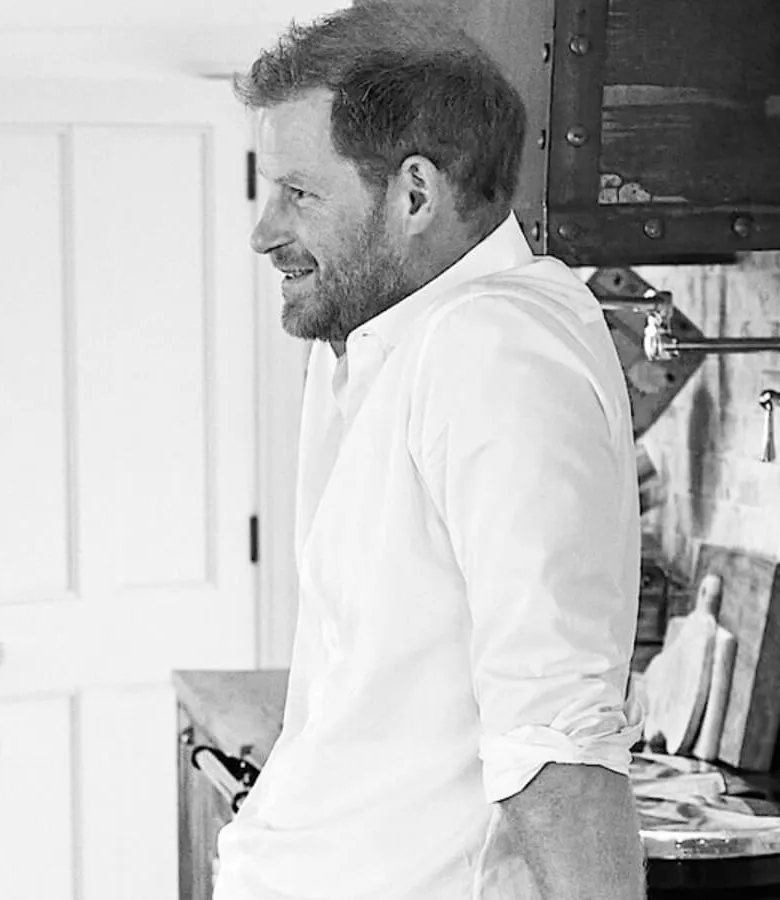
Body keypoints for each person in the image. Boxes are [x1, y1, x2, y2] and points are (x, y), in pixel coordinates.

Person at [220, 3, 644, 898]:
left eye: (299, 193)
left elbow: (556, 740)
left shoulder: (495, 351)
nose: (264, 231)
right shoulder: (376, 342)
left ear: (415, 195)